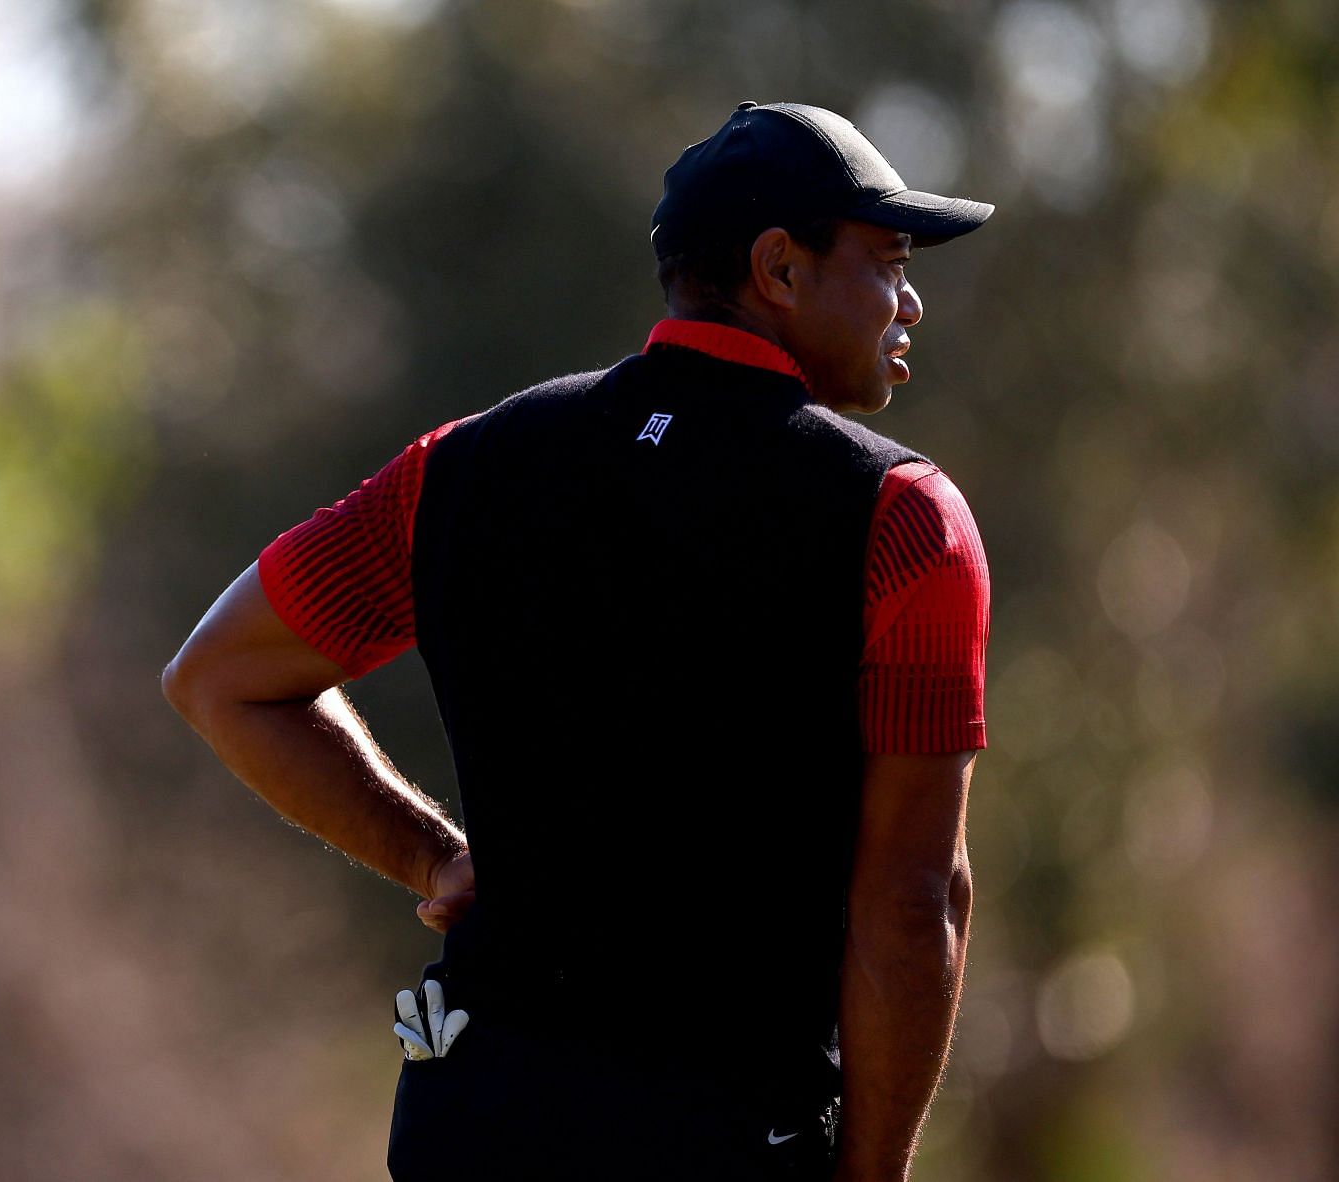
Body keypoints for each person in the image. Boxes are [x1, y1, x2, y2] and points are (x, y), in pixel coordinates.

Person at [163, 100, 993, 1181]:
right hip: (730, 1141)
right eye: (886, 260)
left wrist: (430, 855)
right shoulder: (904, 521)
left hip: (475, 1125)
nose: (911, 299)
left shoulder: (461, 466)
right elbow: (916, 899)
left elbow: (220, 678)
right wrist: (872, 1173)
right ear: (779, 269)